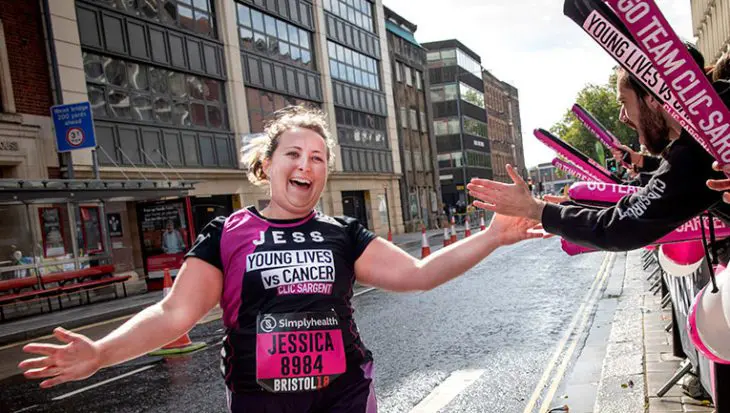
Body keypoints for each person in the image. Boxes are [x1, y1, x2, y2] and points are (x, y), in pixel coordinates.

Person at [18, 106, 546, 413]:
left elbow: (418, 274)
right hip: (260, 404)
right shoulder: (226, 233)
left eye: (317, 158)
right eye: (293, 154)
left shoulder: (342, 233)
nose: (306, 165)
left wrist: (494, 238)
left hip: (343, 398)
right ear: (267, 166)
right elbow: (174, 314)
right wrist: (102, 353)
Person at [467, 46, 730, 252]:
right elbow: (643, 200)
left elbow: (621, 227)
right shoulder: (706, 129)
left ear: (651, 97)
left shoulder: (696, 150)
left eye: (624, 102)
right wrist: (575, 206)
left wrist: (536, 210)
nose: (622, 117)